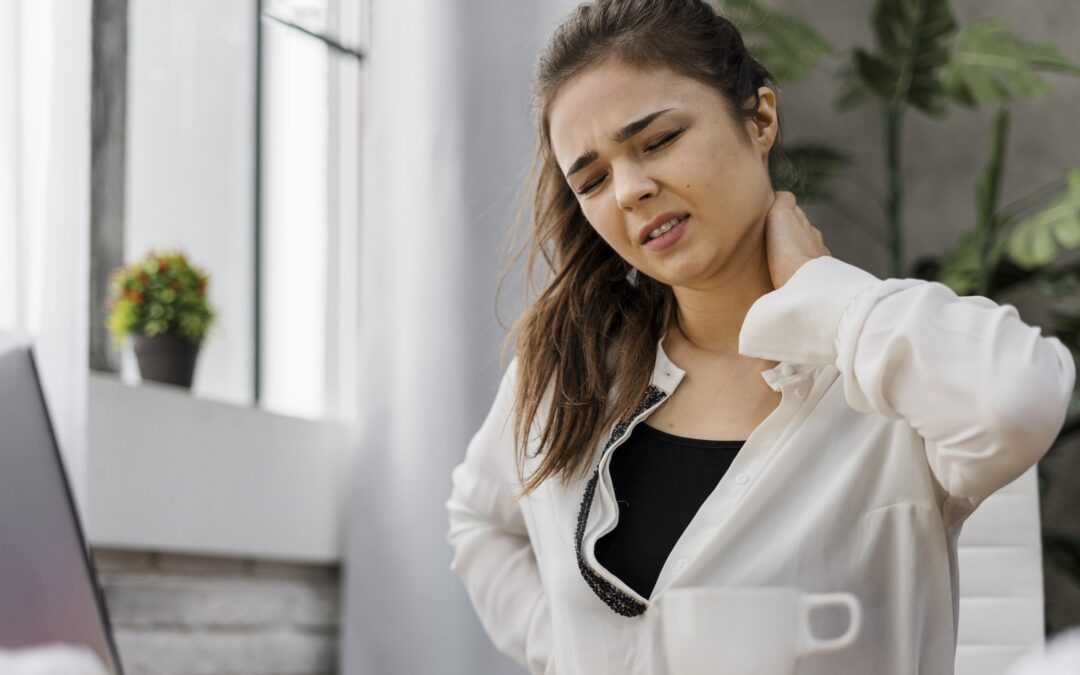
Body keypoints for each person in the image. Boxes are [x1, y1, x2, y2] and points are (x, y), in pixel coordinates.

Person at [445, 1, 1076, 673]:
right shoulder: (569, 372)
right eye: (593, 180)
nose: (629, 190)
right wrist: (579, 653)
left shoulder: (880, 371)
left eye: (658, 140)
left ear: (760, 119)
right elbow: (479, 521)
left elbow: (1018, 402)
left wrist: (816, 288)